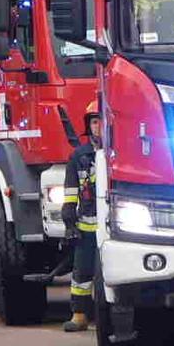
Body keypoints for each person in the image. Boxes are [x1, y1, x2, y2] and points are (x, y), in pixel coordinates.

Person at [62, 101, 101, 332]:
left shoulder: (119, 152)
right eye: (94, 122)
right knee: (82, 272)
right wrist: (69, 218)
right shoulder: (79, 156)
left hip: (113, 226)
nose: (98, 127)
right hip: (86, 226)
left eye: (102, 121)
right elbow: (70, 190)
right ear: (89, 126)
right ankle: (79, 315)